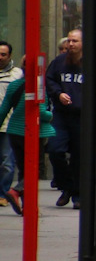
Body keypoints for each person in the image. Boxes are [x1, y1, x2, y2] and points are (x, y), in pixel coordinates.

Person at [0, 59, 55, 216]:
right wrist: (51, 116)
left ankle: (26, 205)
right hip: (33, 132)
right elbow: (42, 112)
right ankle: (16, 191)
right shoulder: (38, 88)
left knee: (23, 168)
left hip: (14, 132)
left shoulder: (14, 86)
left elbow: (3, 110)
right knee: (35, 169)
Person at [45, 28, 83, 208]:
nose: (71, 44)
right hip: (61, 114)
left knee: (78, 156)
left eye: (75, 41)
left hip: (81, 116)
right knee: (54, 149)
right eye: (69, 40)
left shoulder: (89, 62)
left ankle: (77, 194)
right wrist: (58, 94)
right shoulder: (59, 62)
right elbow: (49, 80)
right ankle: (66, 186)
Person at [0, 41, 23, 210]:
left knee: (7, 163)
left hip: (8, 124)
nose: (0, 58)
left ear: (9, 56)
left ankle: (3, 194)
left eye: (3, 54)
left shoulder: (17, 75)